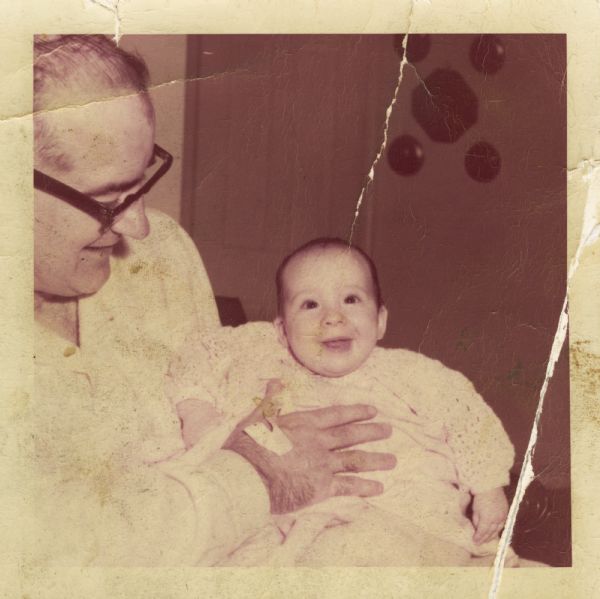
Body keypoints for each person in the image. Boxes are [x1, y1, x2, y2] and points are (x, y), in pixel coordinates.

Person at [30, 35, 396, 566]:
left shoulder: (161, 255)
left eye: (141, 184)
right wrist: (260, 476)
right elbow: (62, 557)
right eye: (109, 201)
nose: (139, 224)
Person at [169, 238, 517, 566]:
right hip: (309, 523)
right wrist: (196, 410)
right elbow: (202, 350)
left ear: (380, 320)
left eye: (351, 299)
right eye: (310, 304)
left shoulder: (412, 373)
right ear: (281, 330)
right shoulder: (271, 366)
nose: (332, 317)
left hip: (410, 515)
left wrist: (488, 486)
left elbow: (467, 418)